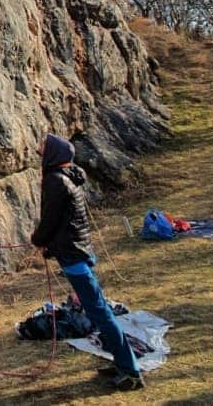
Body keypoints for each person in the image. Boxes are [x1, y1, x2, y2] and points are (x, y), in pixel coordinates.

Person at [31, 133, 145, 392]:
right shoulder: (70, 177)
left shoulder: (56, 180)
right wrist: (50, 246)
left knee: (101, 313)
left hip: (74, 257)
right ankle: (121, 363)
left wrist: (38, 240)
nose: (39, 151)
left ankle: (131, 371)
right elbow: (66, 222)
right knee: (98, 311)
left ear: (53, 154)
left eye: (43, 148)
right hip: (77, 252)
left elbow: (50, 221)